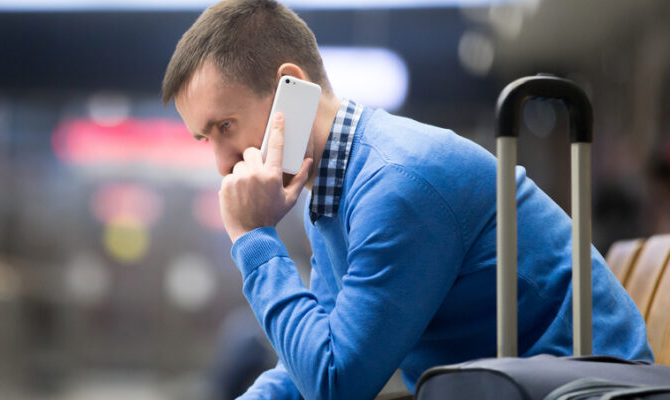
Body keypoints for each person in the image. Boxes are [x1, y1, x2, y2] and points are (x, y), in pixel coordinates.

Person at [161, 1, 653, 399]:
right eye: (207, 139)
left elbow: (335, 385)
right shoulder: (334, 186)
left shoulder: (397, 183)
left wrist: (254, 239)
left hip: (587, 390)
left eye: (225, 126)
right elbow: (311, 359)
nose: (223, 164)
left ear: (295, 88)